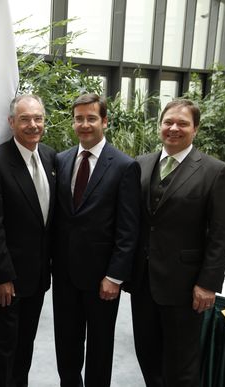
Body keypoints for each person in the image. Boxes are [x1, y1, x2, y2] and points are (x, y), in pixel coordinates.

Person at [128, 99, 225, 387]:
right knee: (148, 355)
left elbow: (221, 234)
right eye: (168, 122)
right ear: (160, 125)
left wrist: (208, 283)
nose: (174, 128)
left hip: (186, 286)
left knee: (181, 365)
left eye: (183, 123)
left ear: (195, 129)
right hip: (143, 283)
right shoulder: (140, 164)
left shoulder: (215, 171)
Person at [52, 93, 141, 387]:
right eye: (79, 118)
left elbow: (128, 229)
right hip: (64, 275)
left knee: (100, 347)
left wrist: (115, 276)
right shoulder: (61, 160)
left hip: (102, 278)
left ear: (104, 121)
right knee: (66, 343)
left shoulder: (124, 166)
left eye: (91, 118)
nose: (85, 124)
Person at [0, 94, 56, 387]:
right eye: (25, 119)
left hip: (37, 276)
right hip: (7, 280)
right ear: (12, 123)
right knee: (3, 348)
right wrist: (2, 276)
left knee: (25, 345)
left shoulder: (49, 156)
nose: (32, 125)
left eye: (38, 118)